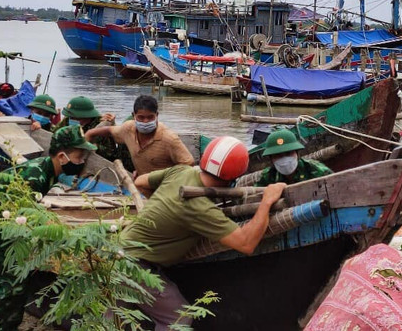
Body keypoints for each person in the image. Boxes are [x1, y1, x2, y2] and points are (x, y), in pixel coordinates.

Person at [121, 136, 287, 329]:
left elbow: (140, 182)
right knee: (179, 318)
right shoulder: (200, 209)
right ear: (234, 177)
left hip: (115, 251)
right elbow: (246, 243)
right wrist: (266, 202)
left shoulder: (180, 171)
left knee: (112, 321)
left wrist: (164, 208)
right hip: (134, 266)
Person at [0, 125, 97, 330]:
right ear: (63, 156)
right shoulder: (35, 176)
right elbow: (20, 222)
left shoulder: (45, 169)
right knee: (14, 280)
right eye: (79, 156)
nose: (82, 162)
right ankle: (1, 327)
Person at [85, 95, 193, 177]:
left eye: (150, 117)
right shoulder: (128, 129)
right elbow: (110, 130)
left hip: (165, 185)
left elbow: (189, 164)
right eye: (141, 118)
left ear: (157, 116)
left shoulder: (169, 138)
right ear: (133, 116)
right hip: (142, 183)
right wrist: (90, 134)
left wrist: (162, 178)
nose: (145, 122)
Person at [54, 96, 133, 170]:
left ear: (86, 116)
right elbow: (53, 134)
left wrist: (95, 147)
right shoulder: (67, 121)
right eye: (70, 117)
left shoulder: (100, 127)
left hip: (97, 165)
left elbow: (111, 154)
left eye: (75, 117)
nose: (71, 119)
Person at [255, 129, 332, 186]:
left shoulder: (317, 171)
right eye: (278, 155)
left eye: (288, 153)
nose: (284, 159)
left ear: (297, 154)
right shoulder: (268, 176)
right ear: (271, 159)